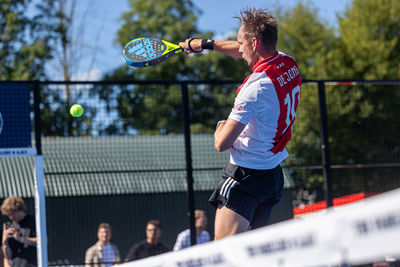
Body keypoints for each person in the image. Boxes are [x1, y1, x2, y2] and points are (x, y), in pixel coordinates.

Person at [179, 7, 301, 240]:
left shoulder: (255, 88)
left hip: (244, 179)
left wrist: (220, 127)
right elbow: (241, 49)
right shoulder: (288, 63)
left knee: (222, 256)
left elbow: (222, 143)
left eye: (240, 42)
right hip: (272, 178)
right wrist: (203, 44)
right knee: (251, 254)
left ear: (254, 43)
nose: (238, 48)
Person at [1, 197, 37, 267]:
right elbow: (8, 256)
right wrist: (5, 243)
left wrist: (22, 239)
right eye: (9, 215)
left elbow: (44, 242)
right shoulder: (11, 226)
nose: (11, 217)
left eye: (13, 213)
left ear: (20, 209)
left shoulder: (34, 221)